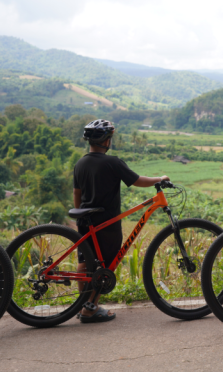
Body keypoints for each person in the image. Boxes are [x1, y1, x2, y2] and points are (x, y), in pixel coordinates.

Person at [72, 119, 169, 323]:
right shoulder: (112, 162)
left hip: (86, 221)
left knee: (85, 263)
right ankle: (91, 309)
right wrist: (159, 179)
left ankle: (84, 306)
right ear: (106, 141)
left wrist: (80, 216)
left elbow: (77, 194)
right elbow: (137, 181)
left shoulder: (80, 163)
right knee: (106, 266)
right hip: (107, 223)